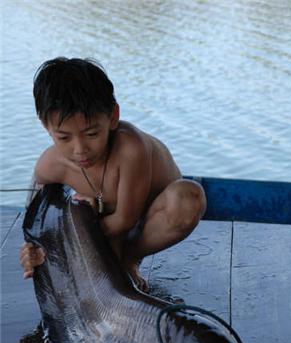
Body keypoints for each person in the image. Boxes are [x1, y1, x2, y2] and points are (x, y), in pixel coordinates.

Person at [20, 57, 206, 291]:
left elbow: (125, 219)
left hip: (149, 218)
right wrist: (35, 249)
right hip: (101, 224)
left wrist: (67, 245)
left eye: (92, 134)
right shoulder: (49, 166)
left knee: (188, 197)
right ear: (46, 127)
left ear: (113, 117)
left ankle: (128, 260)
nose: (80, 149)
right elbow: (36, 219)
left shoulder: (131, 148)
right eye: (64, 138)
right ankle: (111, 262)